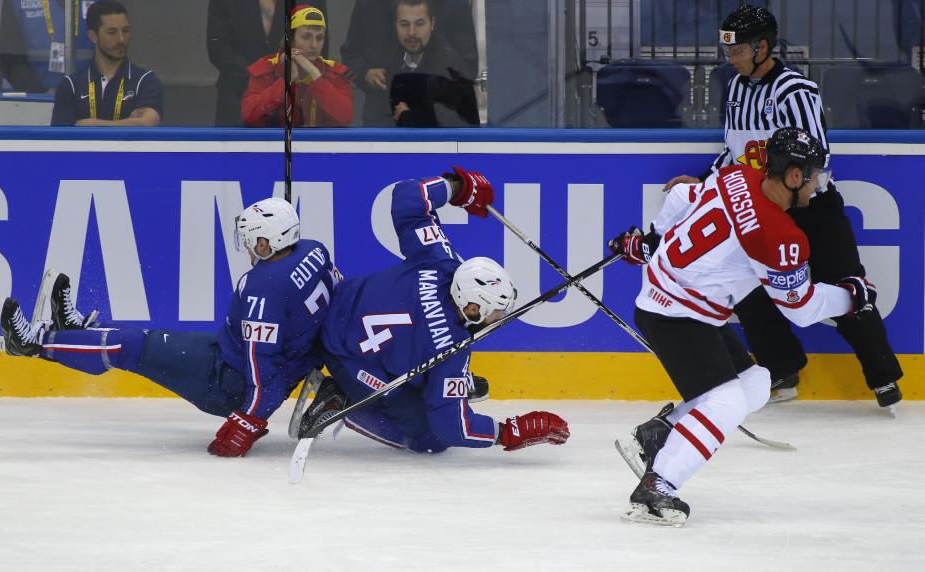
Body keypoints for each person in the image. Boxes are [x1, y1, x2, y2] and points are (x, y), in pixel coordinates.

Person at [609, 127, 880, 526]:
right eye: (815, 174)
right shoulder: (779, 234)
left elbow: (684, 196)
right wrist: (852, 295)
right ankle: (656, 489)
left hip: (681, 304)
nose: (818, 184)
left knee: (754, 383)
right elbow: (801, 308)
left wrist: (652, 239)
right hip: (677, 314)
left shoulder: (735, 175)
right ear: (793, 175)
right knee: (727, 403)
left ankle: (656, 435)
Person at [660, 4, 902, 406]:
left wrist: (780, 194)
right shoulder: (736, 87)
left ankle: (883, 377)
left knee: (845, 285)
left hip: (811, 207)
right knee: (749, 290)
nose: (730, 58)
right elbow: (733, 154)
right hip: (762, 209)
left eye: (736, 50)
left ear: (762, 47)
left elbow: (817, 155)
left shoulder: (796, 90)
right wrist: (705, 183)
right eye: (728, 50)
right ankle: (782, 369)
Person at [0, 197, 340, 458]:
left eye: (252, 239)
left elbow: (262, 370)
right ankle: (70, 330)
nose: (248, 246)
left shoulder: (263, 288)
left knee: (130, 347)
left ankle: (33, 343)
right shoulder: (314, 251)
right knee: (142, 340)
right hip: (233, 358)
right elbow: (337, 298)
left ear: (267, 243)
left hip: (227, 383)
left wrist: (248, 422)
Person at [297, 167, 570, 455]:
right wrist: (507, 432)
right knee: (430, 438)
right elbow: (452, 429)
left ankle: (425, 387)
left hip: (336, 309)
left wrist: (455, 186)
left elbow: (407, 197)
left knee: (438, 382)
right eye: (495, 312)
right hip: (348, 360)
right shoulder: (452, 348)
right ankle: (343, 401)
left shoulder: (440, 260)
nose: (498, 320)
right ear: (473, 308)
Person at [341, 0, 478, 126]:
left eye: (419, 23)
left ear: (432, 23)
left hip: (440, 122)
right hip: (380, 115)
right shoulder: (369, 4)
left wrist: (419, 108)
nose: (411, 32)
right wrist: (364, 73)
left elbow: (468, 68)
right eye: (404, 24)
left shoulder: (454, 5)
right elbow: (350, 54)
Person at [209, 0, 326, 126]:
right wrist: (261, 76)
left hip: (296, 99)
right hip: (237, 94)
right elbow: (218, 47)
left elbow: (319, 48)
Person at [50, 1, 164, 126]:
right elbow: (60, 137)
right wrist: (128, 123)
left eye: (125, 31)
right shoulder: (71, 86)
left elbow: (148, 123)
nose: (121, 39)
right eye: (112, 32)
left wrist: (87, 124)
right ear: (93, 36)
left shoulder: (145, 81)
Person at [241, 5, 353, 127]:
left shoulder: (335, 73)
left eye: (319, 38)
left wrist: (315, 75)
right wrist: (285, 82)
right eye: (306, 37)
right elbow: (249, 117)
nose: (314, 45)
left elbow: (346, 117)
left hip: (320, 145)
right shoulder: (266, 69)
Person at [0, 0, 94, 93]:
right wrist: (42, 92)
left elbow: (108, 52)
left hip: (91, 95)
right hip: (37, 99)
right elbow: (10, 60)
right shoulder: (16, 2)